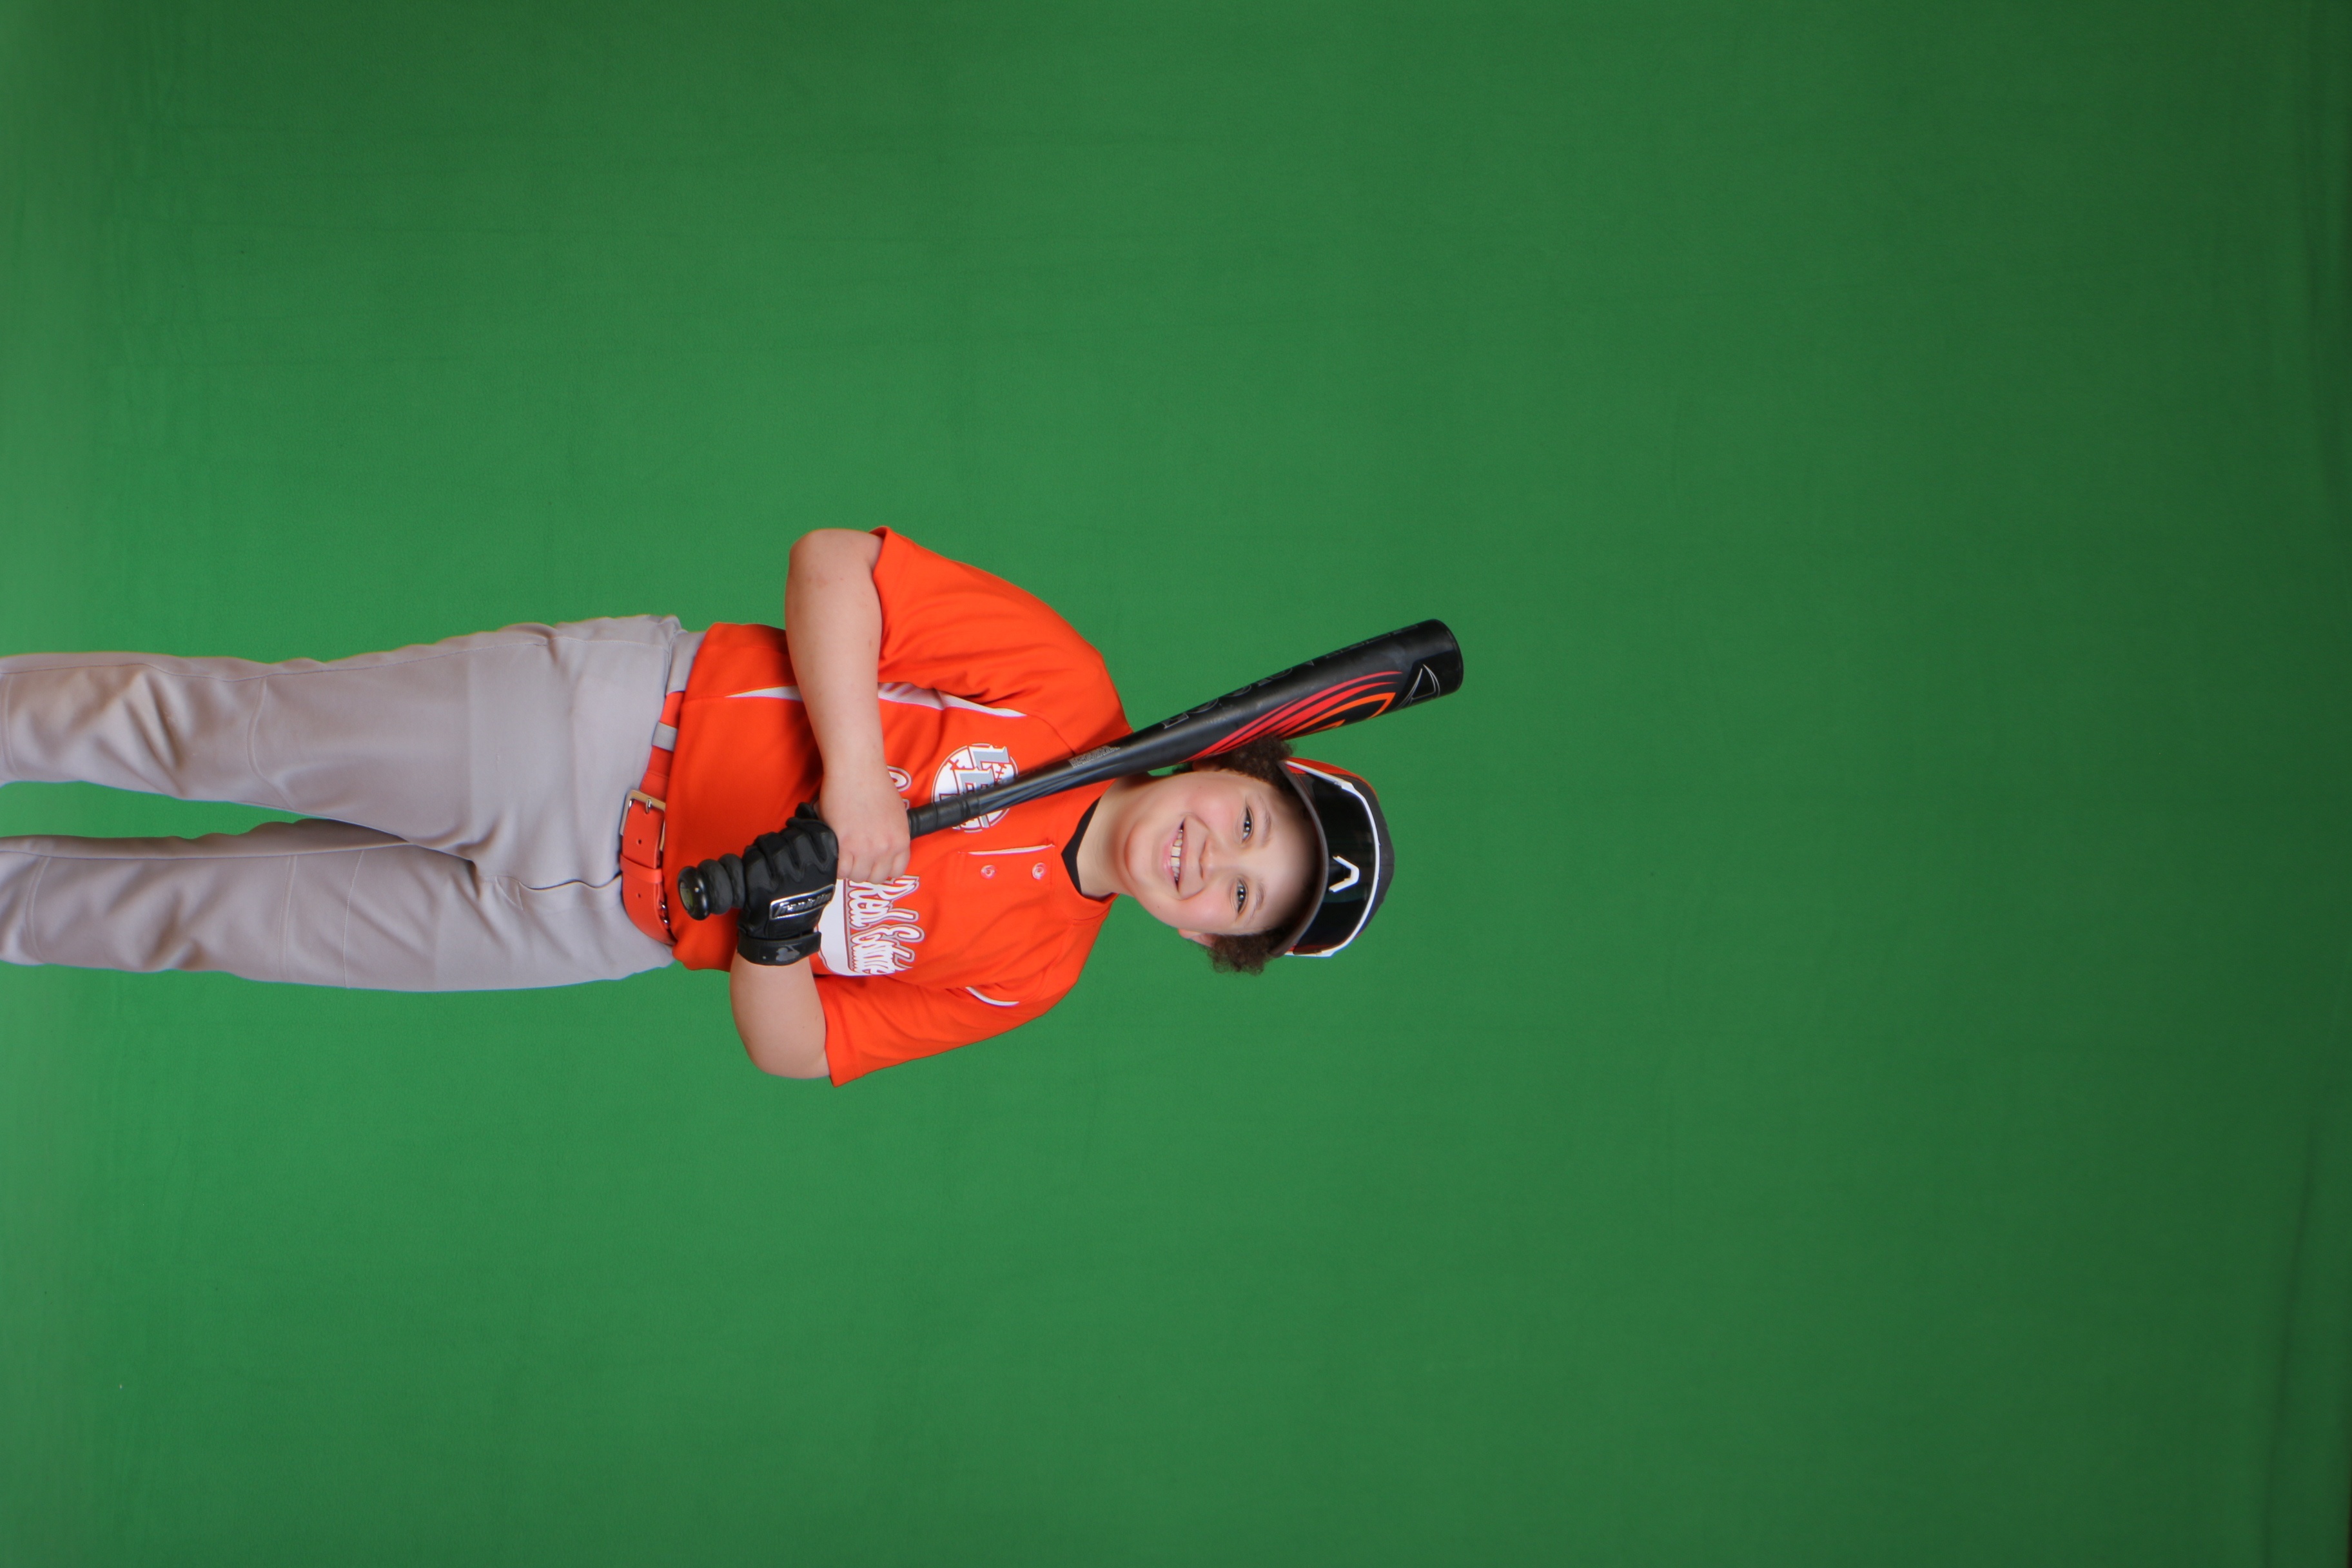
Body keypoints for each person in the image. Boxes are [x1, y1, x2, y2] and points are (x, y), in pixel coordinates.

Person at [0, 529, 1396, 1084]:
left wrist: (780, 936)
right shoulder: (1060, 688)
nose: (1215, 861)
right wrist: (857, 773)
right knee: (213, 733)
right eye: (1253, 826)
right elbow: (835, 565)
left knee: (203, 918)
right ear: (1232, 765)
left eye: (1240, 900)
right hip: (597, 733)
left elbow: (799, 1049)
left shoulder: (1027, 974)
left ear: (1198, 933)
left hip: (592, 927)